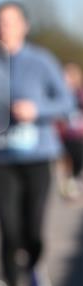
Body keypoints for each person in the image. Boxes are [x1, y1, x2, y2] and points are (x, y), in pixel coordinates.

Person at [0, 1, 73, 286]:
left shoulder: (42, 61)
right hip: (0, 158)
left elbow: (66, 102)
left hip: (37, 156)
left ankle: (33, 267)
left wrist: (37, 109)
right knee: (7, 226)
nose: (4, 28)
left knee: (32, 227)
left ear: (24, 26)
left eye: (11, 22)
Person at [58, 62, 83, 200]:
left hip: (78, 134)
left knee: (78, 159)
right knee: (66, 161)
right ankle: (69, 185)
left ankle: (75, 180)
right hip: (64, 134)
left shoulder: (80, 94)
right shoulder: (60, 95)